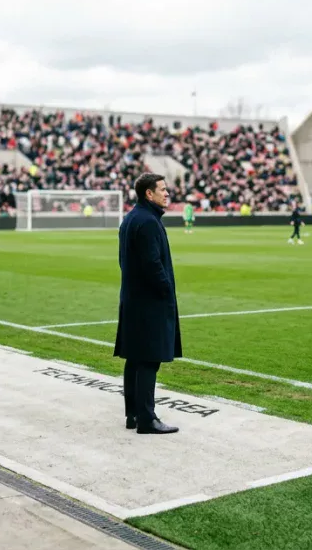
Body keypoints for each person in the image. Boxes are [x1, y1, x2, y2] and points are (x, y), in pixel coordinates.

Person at [115, 173, 182, 435]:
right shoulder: (148, 222)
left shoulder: (130, 219)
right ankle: (146, 418)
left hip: (132, 299)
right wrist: (166, 290)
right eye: (162, 190)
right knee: (148, 360)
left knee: (134, 357)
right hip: (149, 302)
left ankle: (133, 413)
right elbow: (152, 264)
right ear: (148, 194)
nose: (167, 194)